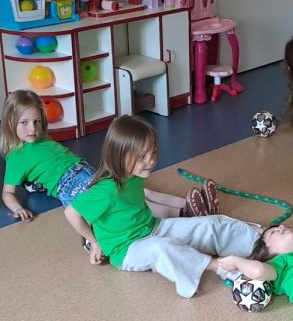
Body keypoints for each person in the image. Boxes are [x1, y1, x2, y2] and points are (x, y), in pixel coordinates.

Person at [64, 115, 259, 298]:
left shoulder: (135, 175)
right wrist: (95, 242)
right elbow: (71, 213)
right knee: (161, 248)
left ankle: (257, 244)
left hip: (154, 227)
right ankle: (219, 267)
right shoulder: (106, 190)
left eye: (154, 152)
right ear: (119, 155)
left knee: (209, 224)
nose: (151, 160)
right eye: (142, 156)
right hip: (126, 251)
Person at [0, 90, 219, 225]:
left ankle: (192, 204)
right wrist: (18, 209)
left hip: (89, 172)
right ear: (10, 123)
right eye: (24, 123)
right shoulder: (16, 157)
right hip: (71, 186)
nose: (32, 128)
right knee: (124, 202)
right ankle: (183, 213)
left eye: (36, 121)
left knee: (137, 191)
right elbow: (7, 192)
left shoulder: (43, 139)